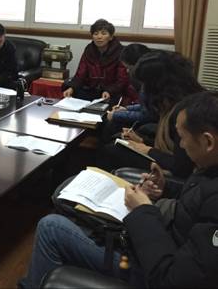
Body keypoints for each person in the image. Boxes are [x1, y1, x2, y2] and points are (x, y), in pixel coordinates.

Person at [20, 90, 218, 288]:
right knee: (70, 210)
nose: (181, 145)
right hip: (154, 240)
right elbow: (194, 202)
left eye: (182, 138)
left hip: (147, 265)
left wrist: (142, 210)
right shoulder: (209, 168)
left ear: (208, 142)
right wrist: (165, 188)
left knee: (51, 227)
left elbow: (171, 279)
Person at [97, 51, 204, 178]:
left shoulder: (183, 114)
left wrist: (148, 150)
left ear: (157, 85)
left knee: (111, 151)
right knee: (117, 140)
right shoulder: (178, 100)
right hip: (166, 159)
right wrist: (142, 141)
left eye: (145, 85)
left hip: (177, 175)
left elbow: (182, 167)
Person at [63, 19, 128, 102]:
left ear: (111, 37)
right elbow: (80, 74)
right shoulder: (89, 50)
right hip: (91, 90)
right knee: (71, 91)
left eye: (104, 33)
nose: (99, 37)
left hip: (112, 92)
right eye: (96, 34)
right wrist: (71, 88)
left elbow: (122, 80)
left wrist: (109, 91)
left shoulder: (120, 52)